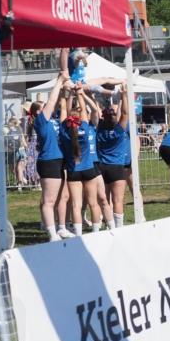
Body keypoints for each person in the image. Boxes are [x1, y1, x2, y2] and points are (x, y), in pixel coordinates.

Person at [60, 88, 112, 235]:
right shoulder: (86, 127)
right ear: (80, 119)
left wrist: (67, 94)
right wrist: (80, 93)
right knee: (93, 203)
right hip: (89, 168)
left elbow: (64, 108)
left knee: (76, 205)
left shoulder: (64, 131)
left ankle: (78, 234)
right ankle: (96, 231)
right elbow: (84, 109)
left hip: (73, 171)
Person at [32, 75, 71, 241]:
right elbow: (52, 102)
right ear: (36, 112)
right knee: (49, 200)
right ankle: (52, 233)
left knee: (63, 197)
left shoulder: (52, 121)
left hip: (59, 160)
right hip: (49, 161)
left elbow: (63, 107)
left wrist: (66, 92)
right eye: (43, 107)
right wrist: (59, 82)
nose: (47, 108)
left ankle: (61, 228)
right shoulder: (40, 121)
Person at [97, 84, 131, 228]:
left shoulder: (98, 130)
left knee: (104, 199)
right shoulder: (119, 130)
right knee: (118, 200)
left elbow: (95, 112)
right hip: (116, 167)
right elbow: (125, 114)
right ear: (113, 118)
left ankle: (108, 224)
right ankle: (119, 226)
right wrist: (124, 95)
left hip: (101, 168)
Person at [5, 116, 28, 189]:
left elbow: (22, 140)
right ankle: (22, 181)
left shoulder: (13, 130)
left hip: (17, 150)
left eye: (9, 124)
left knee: (17, 168)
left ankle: (21, 183)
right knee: (15, 168)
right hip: (17, 150)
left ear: (12, 123)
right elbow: (22, 140)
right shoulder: (16, 130)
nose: (8, 125)